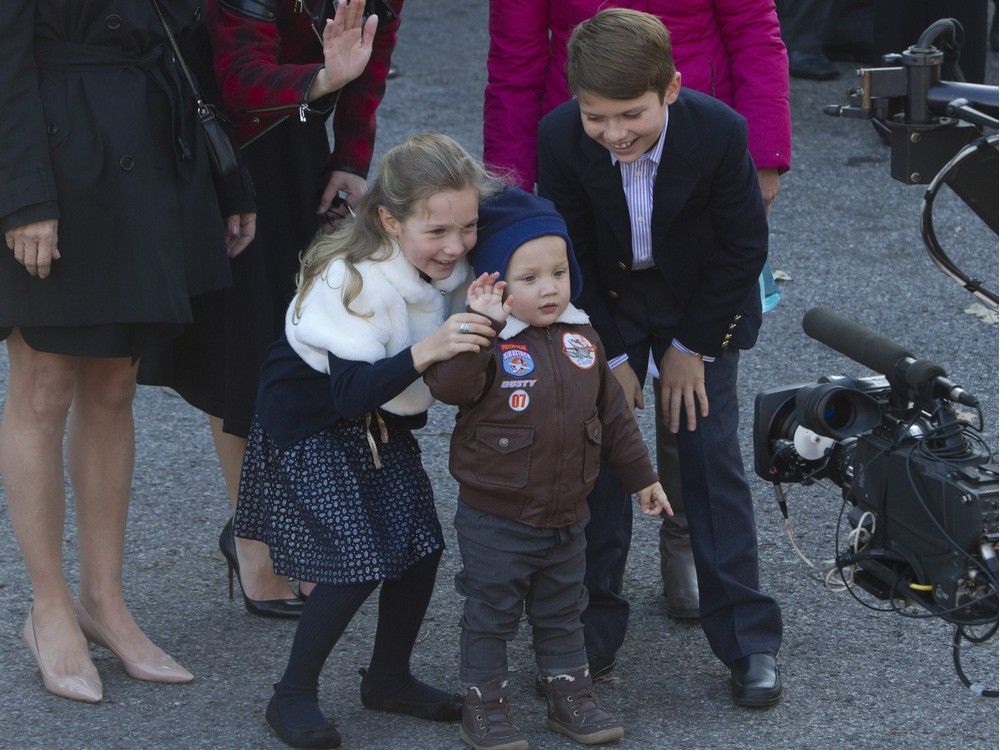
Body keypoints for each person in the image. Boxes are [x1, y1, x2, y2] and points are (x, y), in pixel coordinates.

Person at [482, 0, 790, 634]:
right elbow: (576, 256)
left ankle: (745, 632)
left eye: (632, 116)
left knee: (709, 458)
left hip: (697, 301)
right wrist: (612, 357)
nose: (616, 134)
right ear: (576, 102)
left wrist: (692, 349)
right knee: (594, 462)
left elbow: (741, 249)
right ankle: (590, 633)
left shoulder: (721, 132)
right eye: (598, 118)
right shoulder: (561, 136)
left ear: (671, 88)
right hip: (607, 301)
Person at [0, 1, 255, 703]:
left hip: (146, 152)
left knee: (115, 383)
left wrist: (225, 175)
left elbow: (189, 39)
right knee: (43, 381)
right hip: (47, 158)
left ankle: (104, 602)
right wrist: (20, 196)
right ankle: (48, 608)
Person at [234, 134, 504, 748]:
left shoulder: (447, 263)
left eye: (467, 228)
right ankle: (292, 695)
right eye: (436, 231)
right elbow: (352, 390)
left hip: (378, 425)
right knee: (353, 563)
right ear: (388, 219)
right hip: (311, 425)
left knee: (419, 547)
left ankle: (388, 679)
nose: (455, 246)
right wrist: (427, 350)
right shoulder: (350, 280)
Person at [138, 0, 404, 617]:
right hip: (221, 140)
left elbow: (372, 57)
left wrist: (351, 156)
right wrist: (323, 80)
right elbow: (240, 77)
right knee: (242, 345)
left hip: (300, 140)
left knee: (302, 341)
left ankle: (277, 527)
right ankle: (255, 539)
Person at [424, 188, 671, 750]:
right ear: (493, 283)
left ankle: (570, 694)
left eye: (558, 271)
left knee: (564, 610)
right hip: (497, 517)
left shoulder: (582, 337)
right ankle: (483, 703)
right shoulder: (482, 339)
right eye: (530, 277)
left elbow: (613, 418)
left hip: (567, 515)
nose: (550, 287)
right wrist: (478, 331)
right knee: (491, 612)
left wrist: (643, 478)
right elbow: (450, 389)